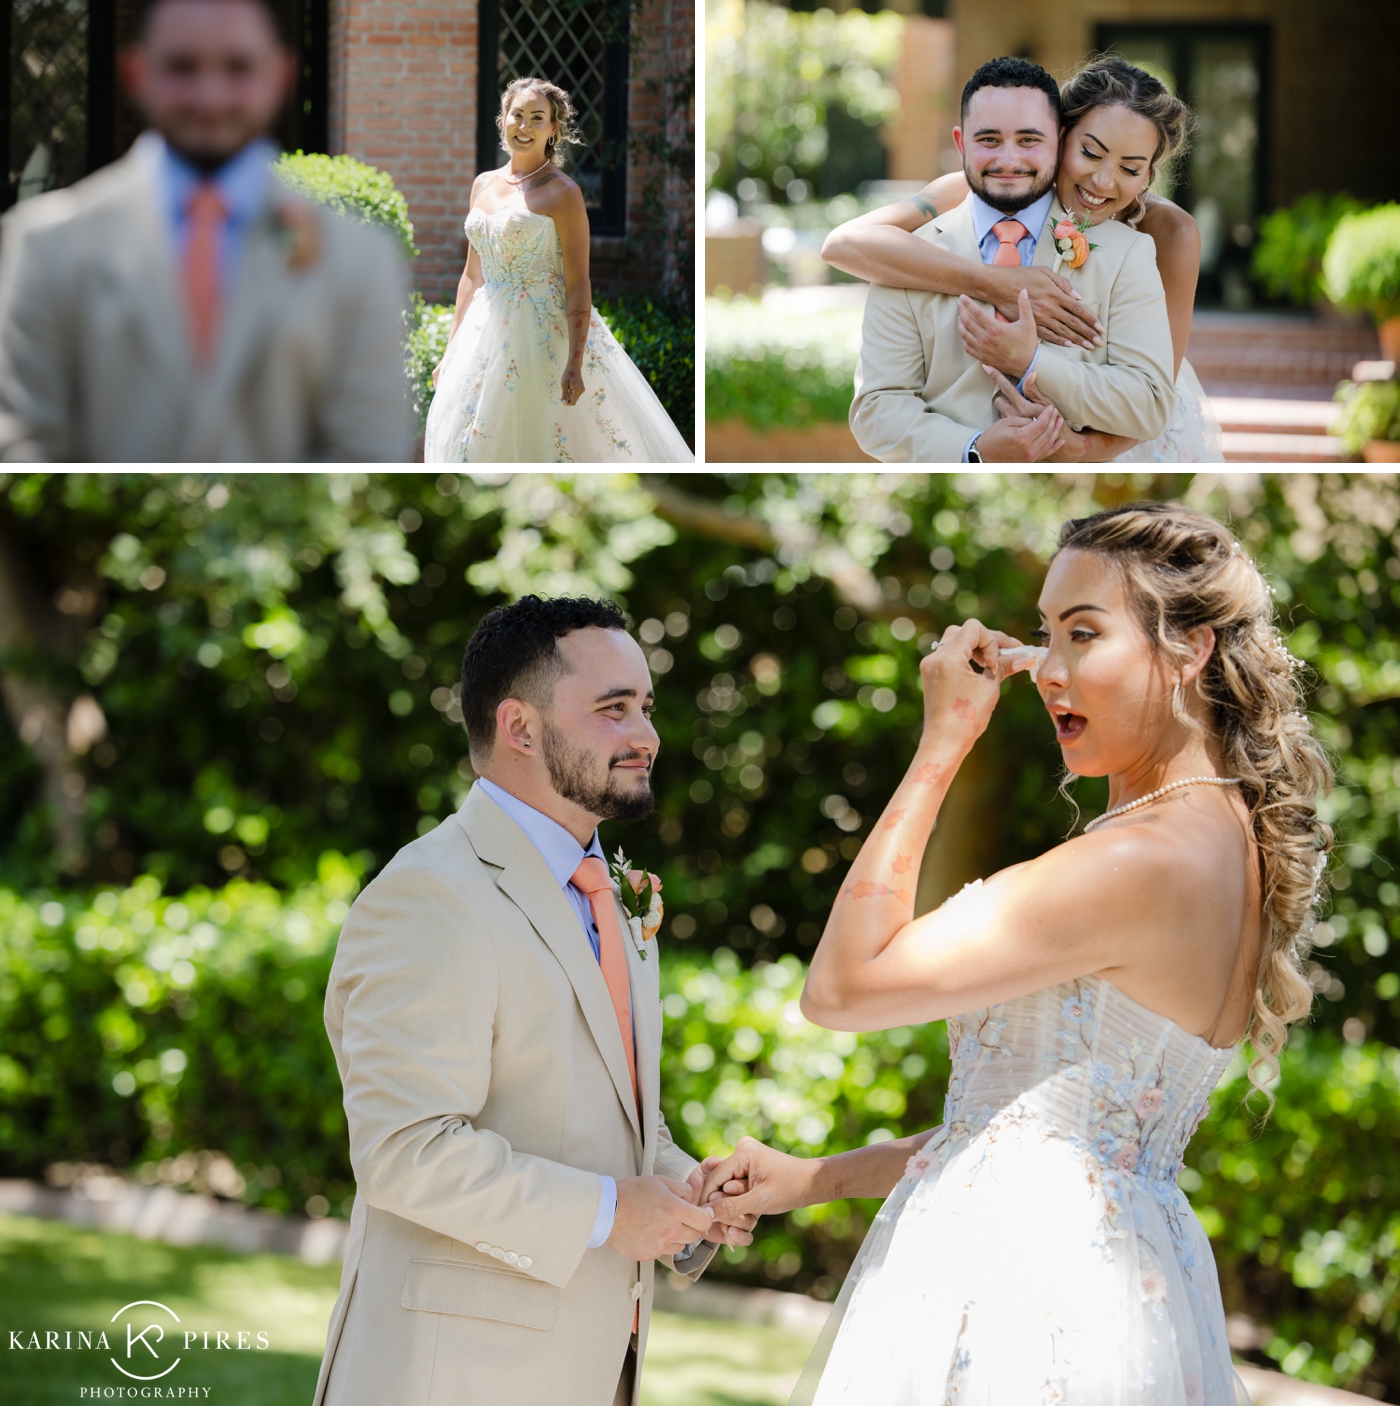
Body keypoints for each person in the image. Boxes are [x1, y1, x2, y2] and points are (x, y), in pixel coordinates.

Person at [703, 504, 1332, 1404]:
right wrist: (811, 1180)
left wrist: (942, 745)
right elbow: (1024, 1131)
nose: (1049, 670)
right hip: (1123, 1284)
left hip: (1026, 1299)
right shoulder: (1224, 842)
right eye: (1046, 634)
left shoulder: (1135, 862)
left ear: (1191, 649)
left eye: (1085, 632)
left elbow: (841, 988)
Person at [314, 595, 753, 1406]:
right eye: (613, 709)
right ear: (520, 727)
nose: (647, 737)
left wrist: (688, 1197)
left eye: (646, 709)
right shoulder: (427, 895)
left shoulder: (611, 892)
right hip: (452, 1380)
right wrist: (613, 1214)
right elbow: (406, 1151)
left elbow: (613, 1117)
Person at [0, 0, 412, 462]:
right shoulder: (45, 246)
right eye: (182, 67)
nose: (210, 98)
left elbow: (368, 455)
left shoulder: (360, 258)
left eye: (238, 67)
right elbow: (23, 455)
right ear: (137, 73)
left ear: (280, 74)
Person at [824, 55, 1222, 463]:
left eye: (1130, 167)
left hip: (1109, 451)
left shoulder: (1162, 237)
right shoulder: (963, 195)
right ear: (1063, 139)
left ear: (1147, 175)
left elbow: (1153, 399)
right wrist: (995, 282)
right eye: (1090, 152)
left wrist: (1073, 441)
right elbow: (845, 243)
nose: (1104, 181)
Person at [424, 79, 693, 464]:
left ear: (553, 129)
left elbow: (578, 282)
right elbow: (472, 275)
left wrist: (575, 362)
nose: (524, 126)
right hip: (483, 333)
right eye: (517, 115)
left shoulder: (563, 192)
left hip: (541, 336)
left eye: (537, 118)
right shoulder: (482, 184)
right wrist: (450, 350)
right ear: (503, 120)